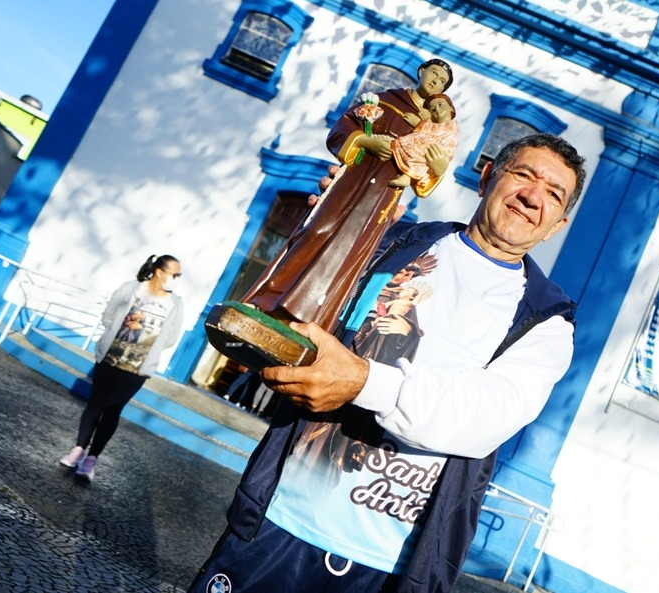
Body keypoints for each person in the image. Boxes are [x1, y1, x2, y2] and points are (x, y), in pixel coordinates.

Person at [188, 133, 587, 593]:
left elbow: (485, 415)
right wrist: (335, 218)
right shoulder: (393, 242)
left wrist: (360, 382)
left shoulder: (545, 319)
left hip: (386, 563)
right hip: (280, 517)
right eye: (523, 174)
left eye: (553, 194)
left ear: (558, 224)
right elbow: (306, 308)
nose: (532, 196)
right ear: (486, 176)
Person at [242, 58, 455, 332]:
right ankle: (267, 300)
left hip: (383, 196)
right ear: (421, 71)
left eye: (441, 82)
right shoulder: (385, 100)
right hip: (353, 179)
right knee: (317, 231)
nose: (435, 81)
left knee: (350, 253)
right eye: (433, 74)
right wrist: (366, 140)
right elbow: (342, 128)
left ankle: (311, 321)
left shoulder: (434, 127)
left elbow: (429, 171)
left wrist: (437, 169)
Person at [59, 254, 184, 481]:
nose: (177, 279)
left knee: (113, 409)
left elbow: (171, 337)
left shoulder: (175, 304)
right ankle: (78, 449)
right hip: (110, 357)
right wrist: (117, 339)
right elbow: (109, 316)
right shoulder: (131, 289)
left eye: (179, 275)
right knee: (95, 403)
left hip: (138, 367)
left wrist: (145, 349)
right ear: (159, 271)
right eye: (174, 274)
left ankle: (92, 459)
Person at [388, 93, 459, 192]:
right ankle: (408, 176)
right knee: (420, 159)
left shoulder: (451, 124)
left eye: (440, 105)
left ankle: (407, 172)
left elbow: (435, 131)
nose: (437, 109)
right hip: (433, 147)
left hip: (438, 152)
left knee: (419, 143)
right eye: (433, 109)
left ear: (451, 108)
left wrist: (419, 123)